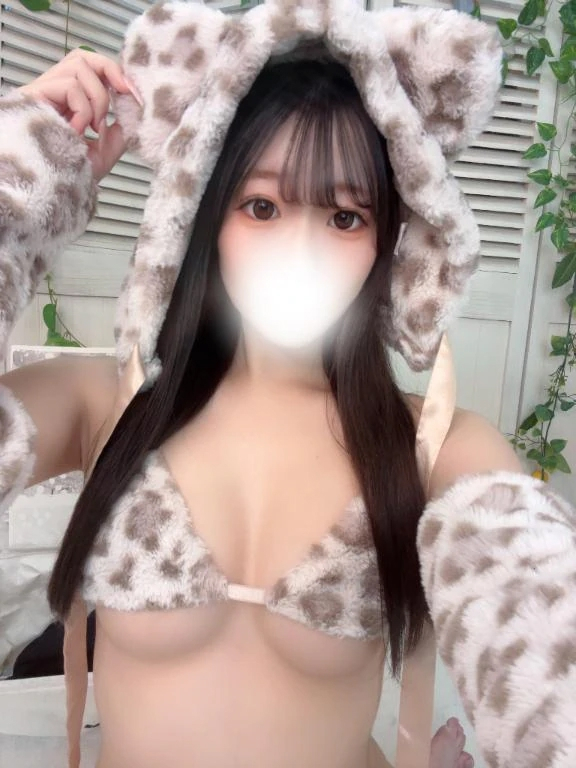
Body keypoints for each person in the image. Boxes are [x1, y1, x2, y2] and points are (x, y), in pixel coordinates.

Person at [0, 2, 573, 768]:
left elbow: (547, 647)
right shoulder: (103, 403)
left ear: (390, 238)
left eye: (345, 217)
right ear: (205, 214)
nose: (299, 250)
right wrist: (21, 178)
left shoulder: (439, 449)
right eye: (262, 206)